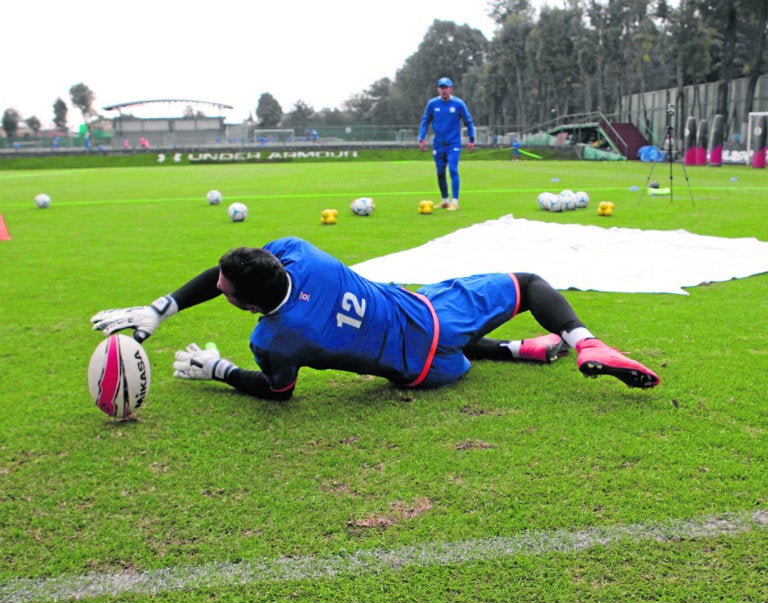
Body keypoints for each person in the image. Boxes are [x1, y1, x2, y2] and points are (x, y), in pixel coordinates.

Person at [91, 237, 660, 401]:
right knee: (530, 285)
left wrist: (217, 369)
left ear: (243, 301)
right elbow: (234, 277)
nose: (216, 289)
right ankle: (584, 342)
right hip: (435, 315)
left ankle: (518, 351)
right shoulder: (300, 252)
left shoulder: (273, 338)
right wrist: (162, 307)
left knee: (454, 356)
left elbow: (277, 391)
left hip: (425, 373)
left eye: (223, 289)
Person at [418, 77, 475, 211]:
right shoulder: (432, 104)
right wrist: (421, 138)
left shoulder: (458, 104)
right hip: (438, 144)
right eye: (441, 87)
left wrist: (471, 140)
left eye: (446, 87)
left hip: (453, 143)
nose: (444, 90)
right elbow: (425, 121)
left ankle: (455, 202)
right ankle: (445, 201)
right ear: (438, 89)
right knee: (440, 172)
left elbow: (469, 121)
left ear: (451, 89)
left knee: (453, 170)